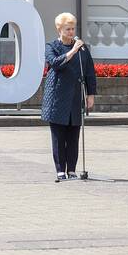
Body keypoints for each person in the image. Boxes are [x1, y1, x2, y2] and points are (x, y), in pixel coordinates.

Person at [42, 12, 96, 182]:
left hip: (74, 96)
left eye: (73, 28)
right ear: (59, 29)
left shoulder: (83, 49)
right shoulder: (51, 46)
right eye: (68, 29)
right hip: (57, 96)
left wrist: (90, 94)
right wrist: (72, 51)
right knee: (59, 136)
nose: (71, 32)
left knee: (73, 135)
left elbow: (89, 72)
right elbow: (55, 63)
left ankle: (72, 170)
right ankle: (60, 170)